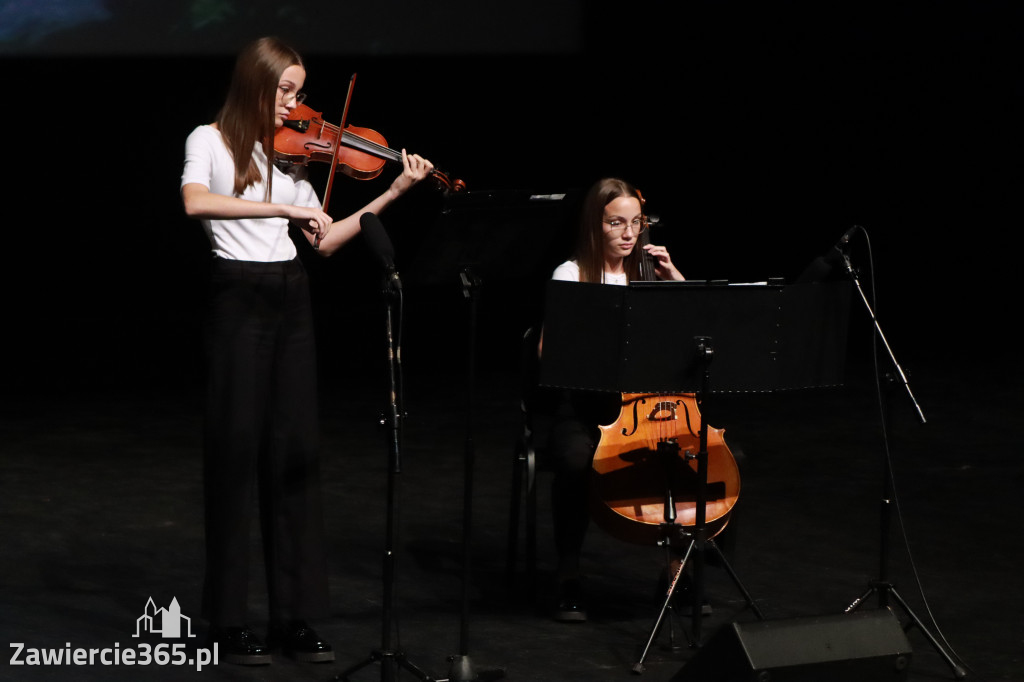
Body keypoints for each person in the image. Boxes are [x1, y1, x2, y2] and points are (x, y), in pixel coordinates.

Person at [180, 36, 434, 664]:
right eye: (284, 91)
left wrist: (396, 191)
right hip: (237, 299)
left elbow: (325, 239)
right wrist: (277, 210)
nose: (296, 105)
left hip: (290, 298)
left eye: (298, 91)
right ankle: (230, 620)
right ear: (254, 84)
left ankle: (293, 616)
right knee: (236, 453)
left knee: (295, 455)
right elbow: (195, 202)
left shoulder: (295, 160)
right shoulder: (208, 140)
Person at [545, 177, 683, 622]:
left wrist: (675, 284)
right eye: (616, 223)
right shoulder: (571, 274)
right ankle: (568, 574)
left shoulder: (651, 275)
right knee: (572, 460)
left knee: (711, 454)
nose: (628, 233)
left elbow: (689, 342)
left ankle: (678, 574)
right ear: (595, 225)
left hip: (646, 407)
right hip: (585, 407)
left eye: (635, 223)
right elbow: (550, 350)